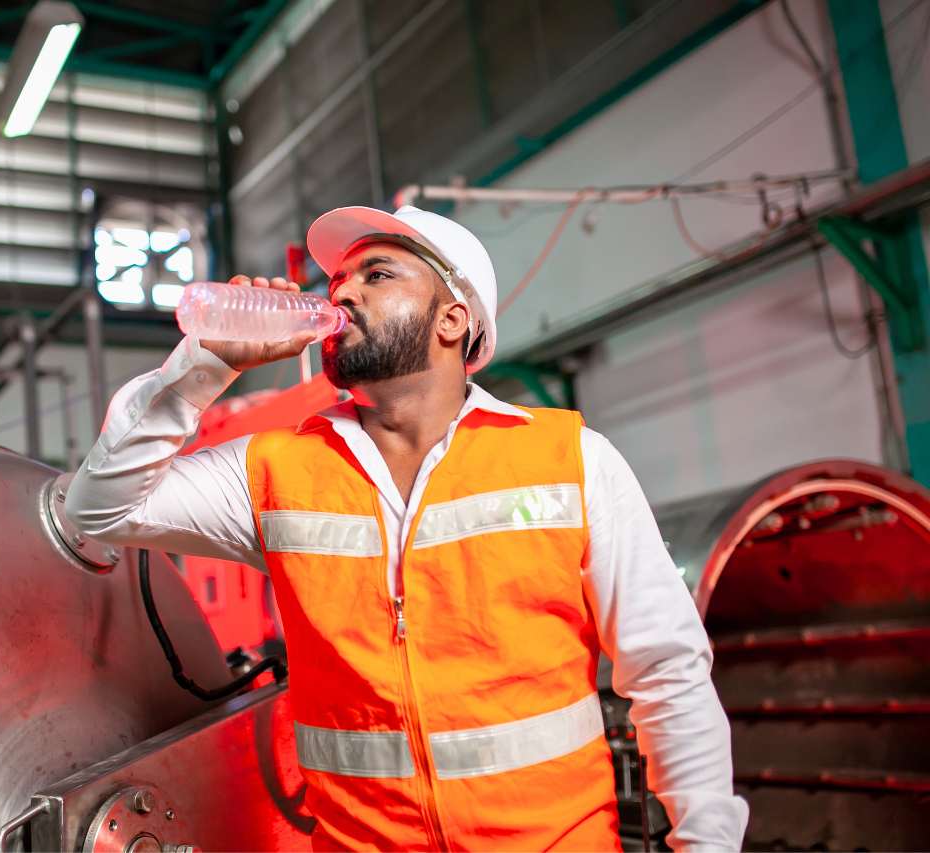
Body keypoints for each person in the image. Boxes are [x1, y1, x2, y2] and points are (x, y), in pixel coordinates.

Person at [68, 205, 749, 851]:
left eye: (378, 274)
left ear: (452, 320)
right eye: (337, 280)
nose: (343, 294)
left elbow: (668, 672)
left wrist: (706, 841)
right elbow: (98, 506)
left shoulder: (571, 461)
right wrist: (205, 365)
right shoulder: (274, 469)